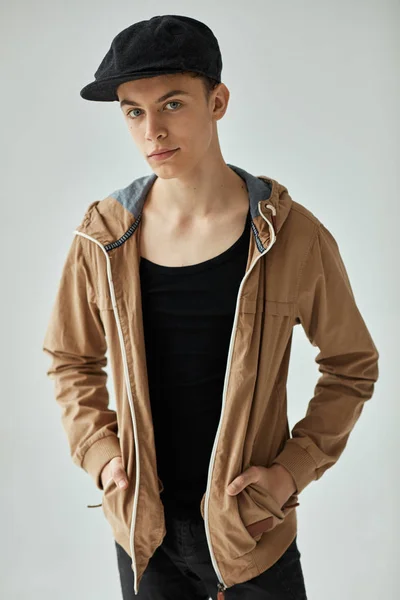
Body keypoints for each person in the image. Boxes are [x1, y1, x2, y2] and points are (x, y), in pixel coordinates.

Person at [42, 14, 379, 600]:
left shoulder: (291, 237)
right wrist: (101, 455)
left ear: (217, 100)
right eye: (133, 111)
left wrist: (288, 473)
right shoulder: (102, 237)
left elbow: (352, 365)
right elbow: (70, 360)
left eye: (172, 104)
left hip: (252, 533)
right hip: (143, 536)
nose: (153, 130)